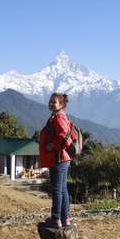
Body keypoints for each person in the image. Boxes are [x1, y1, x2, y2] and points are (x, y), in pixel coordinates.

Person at [39, 93, 72, 228]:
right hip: (63, 158)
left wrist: (51, 146)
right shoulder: (58, 116)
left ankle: (56, 218)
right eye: (50, 101)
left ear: (61, 104)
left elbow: (65, 138)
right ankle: (65, 218)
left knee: (57, 189)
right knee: (62, 188)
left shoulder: (59, 118)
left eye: (54, 102)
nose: (51, 104)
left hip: (59, 159)